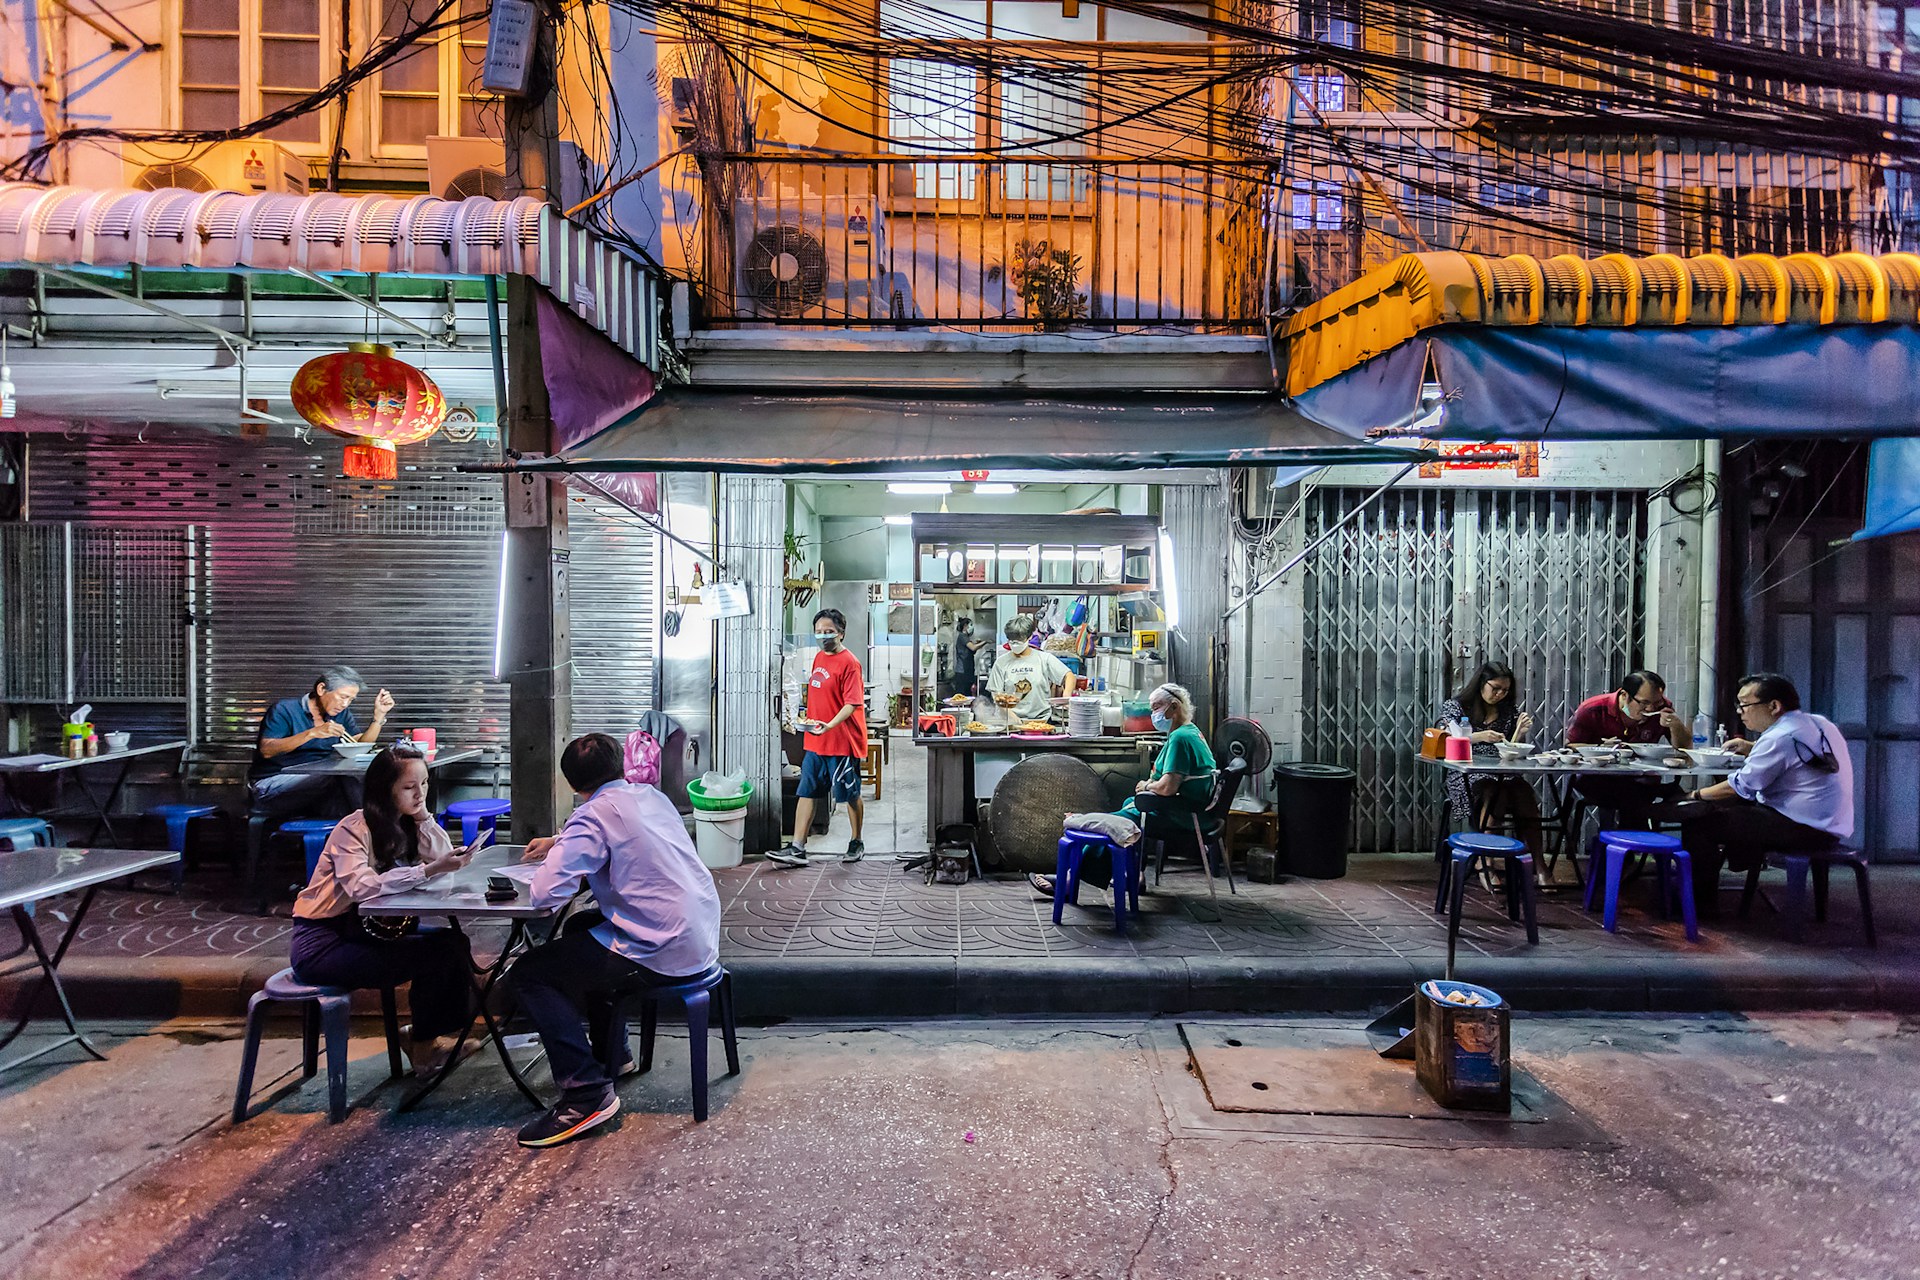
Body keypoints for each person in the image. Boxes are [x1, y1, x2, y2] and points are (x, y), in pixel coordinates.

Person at [508, 733, 722, 1149]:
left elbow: (544, 893)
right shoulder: (649, 796)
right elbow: (627, 836)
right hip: (697, 932)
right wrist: (562, 840)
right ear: (622, 767)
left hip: (660, 947)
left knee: (530, 974)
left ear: (572, 785)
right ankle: (614, 1054)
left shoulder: (591, 816)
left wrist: (563, 847)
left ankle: (585, 1092)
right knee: (578, 931)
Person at [288, 744, 476, 1080]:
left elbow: (445, 862)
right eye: (408, 787)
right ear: (383, 790)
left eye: (424, 785)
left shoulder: (406, 824)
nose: (419, 794)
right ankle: (422, 1045)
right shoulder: (354, 828)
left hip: (371, 933)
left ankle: (424, 1038)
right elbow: (361, 886)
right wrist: (426, 872)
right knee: (436, 954)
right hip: (324, 944)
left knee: (454, 943)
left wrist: (423, 818)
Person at [1668, 673, 1853, 913]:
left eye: (1745, 704)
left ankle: (1698, 907)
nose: (1740, 711)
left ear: (1774, 706)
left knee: (1700, 821)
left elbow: (1740, 788)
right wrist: (1752, 747)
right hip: (1830, 826)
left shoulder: (1778, 738)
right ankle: (1740, 859)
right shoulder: (1818, 723)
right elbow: (1799, 752)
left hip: (1801, 827)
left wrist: (1693, 796)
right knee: (1735, 814)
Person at [1029, 682, 1215, 899]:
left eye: (1157, 708)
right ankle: (1135, 877)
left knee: (1110, 826)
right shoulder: (1190, 731)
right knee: (1130, 806)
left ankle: (1070, 880)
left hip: (1181, 814)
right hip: (1191, 809)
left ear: (1174, 707)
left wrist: (1147, 786)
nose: (1153, 714)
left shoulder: (1181, 738)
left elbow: (1167, 787)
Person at [768, 608, 870, 867]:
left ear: (841, 633)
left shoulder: (850, 663)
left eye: (829, 632)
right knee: (807, 792)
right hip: (815, 740)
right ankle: (797, 847)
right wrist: (806, 717)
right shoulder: (818, 659)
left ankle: (856, 841)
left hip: (842, 741)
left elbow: (852, 704)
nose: (823, 636)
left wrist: (830, 724)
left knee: (849, 793)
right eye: (819, 631)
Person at [1436, 660, 1542, 855]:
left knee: (1523, 792)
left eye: (1505, 690)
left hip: (1501, 771)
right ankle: (1486, 860)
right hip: (1465, 773)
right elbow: (1446, 737)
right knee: (1495, 791)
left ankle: (1539, 865)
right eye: (1495, 688)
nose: (1500, 694)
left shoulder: (1508, 711)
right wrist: (1478, 736)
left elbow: (1509, 747)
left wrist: (1519, 734)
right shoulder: (1456, 706)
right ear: (1481, 683)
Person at [1566, 670, 1689, 820]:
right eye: (1644, 703)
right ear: (1625, 695)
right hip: (1597, 778)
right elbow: (1570, 745)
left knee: (1685, 800)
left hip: (1642, 778)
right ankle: (1630, 839)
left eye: (1657, 702)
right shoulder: (1593, 709)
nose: (1651, 709)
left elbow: (1684, 750)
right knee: (1632, 798)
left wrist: (1675, 726)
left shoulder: (1663, 709)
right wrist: (1600, 748)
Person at [986, 615, 1078, 721]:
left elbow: (1069, 676)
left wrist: (1066, 695)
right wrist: (1015, 720)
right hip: (1010, 721)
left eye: (1019, 640)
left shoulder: (1044, 658)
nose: (1015, 644)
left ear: (1029, 637)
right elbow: (997, 697)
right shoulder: (1001, 663)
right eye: (1012, 640)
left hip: (1041, 720)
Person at [950, 615, 987, 700]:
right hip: (962, 671)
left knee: (967, 696)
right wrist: (985, 642)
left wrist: (978, 644)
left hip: (968, 671)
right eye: (970, 625)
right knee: (961, 697)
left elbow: (973, 650)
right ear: (965, 626)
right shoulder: (962, 637)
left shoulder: (966, 638)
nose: (972, 628)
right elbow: (973, 647)